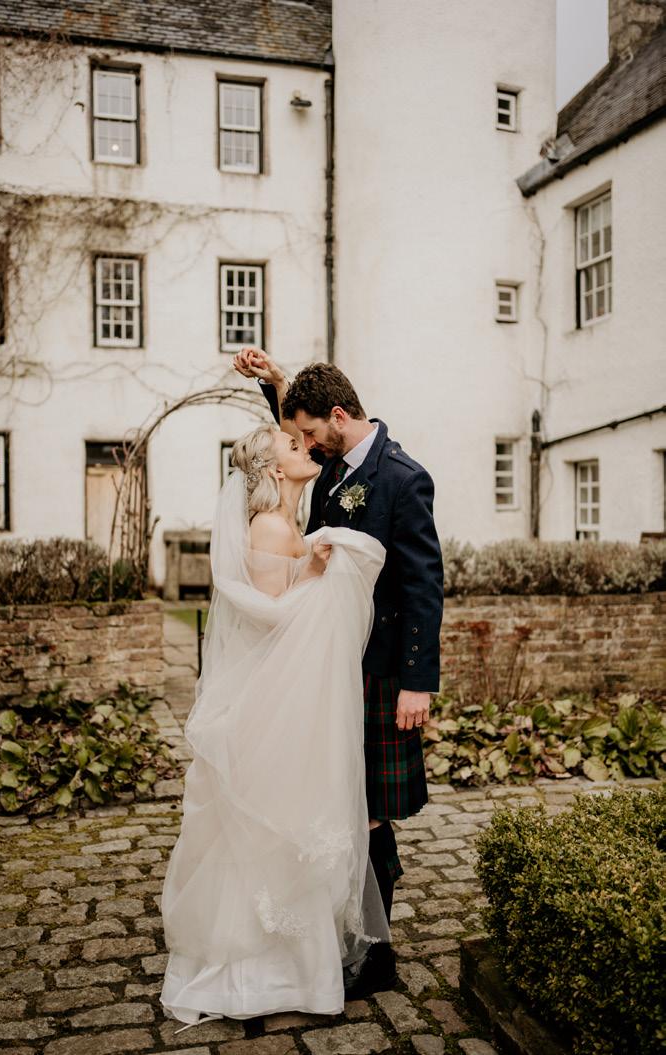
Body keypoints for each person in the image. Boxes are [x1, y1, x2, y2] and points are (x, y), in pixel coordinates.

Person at [161, 420, 389, 1027]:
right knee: (273, 828)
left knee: (296, 824)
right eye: (292, 444)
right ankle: (256, 979)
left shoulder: (290, 523)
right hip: (273, 700)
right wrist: (314, 574)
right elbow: (269, 620)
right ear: (272, 469)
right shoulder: (269, 526)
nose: (304, 445)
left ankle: (297, 975)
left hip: (297, 695)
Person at [234, 349, 444, 999]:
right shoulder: (330, 463)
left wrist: (417, 681)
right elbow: (287, 449)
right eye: (297, 437)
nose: (304, 444)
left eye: (309, 432)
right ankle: (342, 934)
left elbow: (424, 585)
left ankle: (376, 955)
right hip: (327, 667)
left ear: (338, 416)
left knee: (372, 809)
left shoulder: (402, 478)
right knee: (335, 803)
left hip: (378, 671)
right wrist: (277, 383)